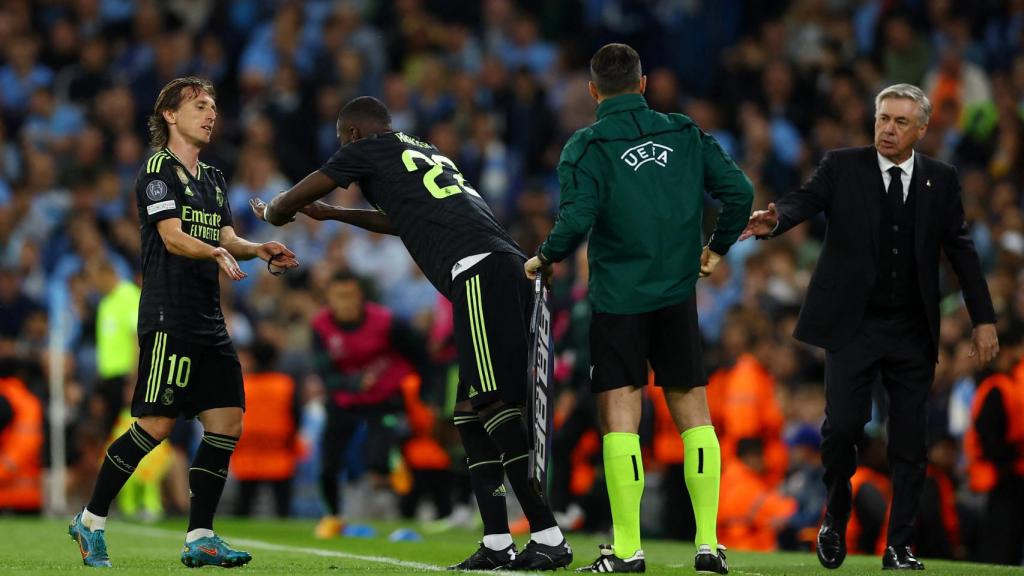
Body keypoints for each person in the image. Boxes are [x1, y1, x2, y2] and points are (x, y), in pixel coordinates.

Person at [253, 96, 572, 571]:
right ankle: (497, 542)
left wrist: (275, 213)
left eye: (342, 141)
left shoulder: (367, 147)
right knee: (469, 414)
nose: (342, 150)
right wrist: (336, 214)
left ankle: (547, 535)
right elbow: (404, 220)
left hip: (479, 270)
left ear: (354, 134)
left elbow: (290, 199)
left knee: (493, 404)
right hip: (497, 267)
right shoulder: (423, 151)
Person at [740, 83, 999, 571]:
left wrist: (983, 319)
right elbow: (805, 199)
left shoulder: (940, 179)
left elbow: (962, 252)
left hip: (911, 329)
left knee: (910, 441)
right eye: (883, 118)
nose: (888, 129)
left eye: (901, 122)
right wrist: (776, 221)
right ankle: (836, 513)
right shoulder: (843, 165)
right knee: (842, 428)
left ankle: (899, 545)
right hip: (853, 325)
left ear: (922, 129)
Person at [524, 43, 753, 574]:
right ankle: (708, 544)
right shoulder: (684, 132)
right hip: (676, 295)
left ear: (592, 90)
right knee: (693, 413)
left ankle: (627, 550)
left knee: (621, 420)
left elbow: (576, 219)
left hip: (618, 299)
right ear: (643, 84)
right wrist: (717, 248)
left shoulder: (586, 145)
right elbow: (739, 193)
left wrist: (546, 257)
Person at [67, 76, 298, 569]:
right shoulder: (157, 170)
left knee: (227, 422)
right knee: (155, 425)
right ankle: (90, 519)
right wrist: (212, 251)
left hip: (208, 318)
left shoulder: (213, 177)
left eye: (213, 106)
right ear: (170, 115)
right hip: (168, 316)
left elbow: (226, 236)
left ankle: (200, 537)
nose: (211, 114)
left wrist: (257, 248)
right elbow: (172, 236)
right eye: (199, 105)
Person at [309, 271, 430, 539]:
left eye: (350, 295)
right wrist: (352, 382)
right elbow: (325, 372)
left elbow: (419, 353)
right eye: (339, 296)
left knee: (379, 459)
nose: (346, 302)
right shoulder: (320, 326)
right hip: (343, 399)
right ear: (329, 299)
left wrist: (420, 387)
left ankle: (395, 512)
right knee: (328, 466)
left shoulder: (387, 322)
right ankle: (333, 516)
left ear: (361, 296)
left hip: (382, 399)